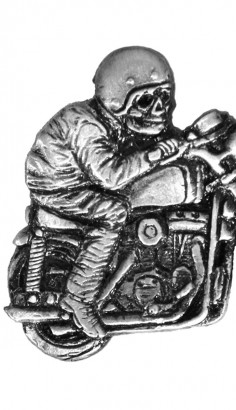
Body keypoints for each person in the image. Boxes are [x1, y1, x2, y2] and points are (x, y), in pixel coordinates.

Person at [25, 46, 181, 338]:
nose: (160, 109)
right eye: (146, 100)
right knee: (115, 211)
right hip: (59, 187)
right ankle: (79, 297)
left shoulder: (115, 121)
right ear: (118, 99)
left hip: (78, 182)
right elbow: (110, 175)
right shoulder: (87, 125)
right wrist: (155, 155)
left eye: (163, 97)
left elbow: (152, 139)